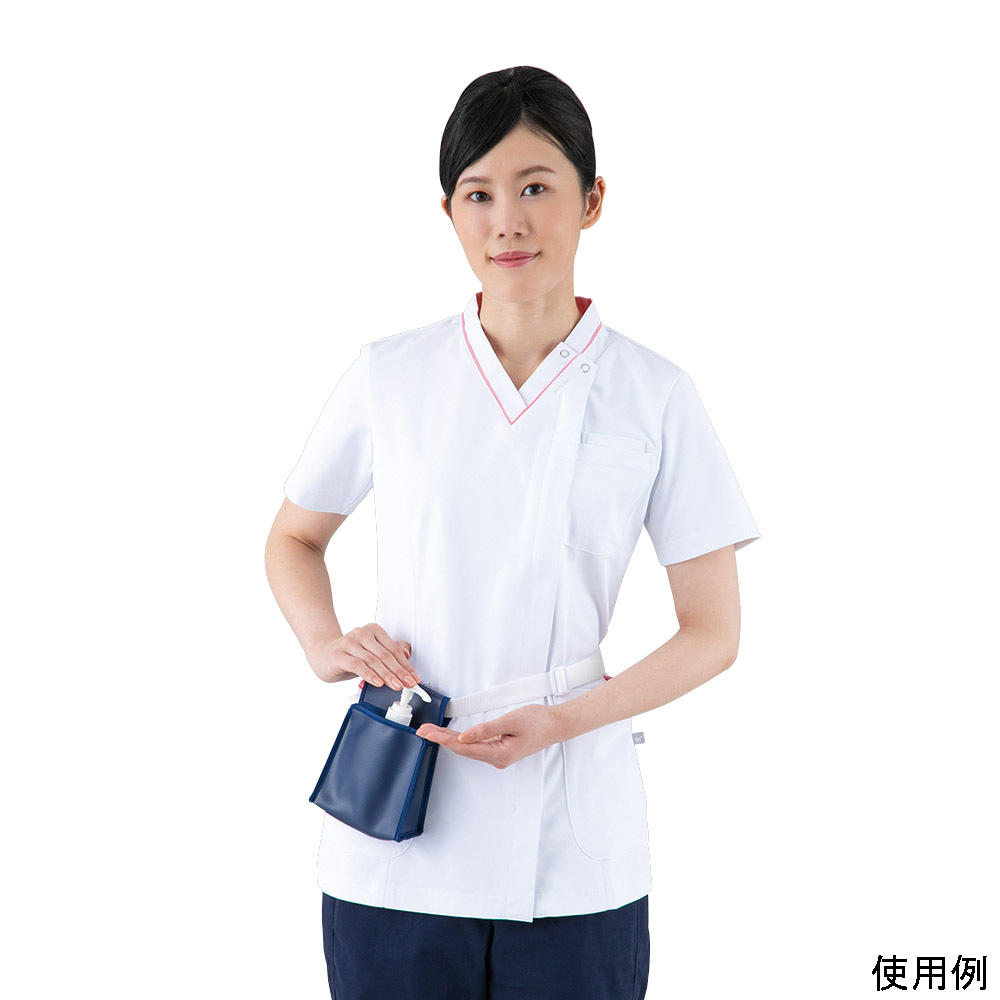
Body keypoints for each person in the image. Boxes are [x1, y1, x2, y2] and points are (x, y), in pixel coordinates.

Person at [264, 65, 760, 1000]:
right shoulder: (390, 376)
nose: (507, 222)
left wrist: (565, 722)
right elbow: (293, 538)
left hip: (573, 843)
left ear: (593, 200)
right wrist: (324, 643)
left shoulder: (654, 395)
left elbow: (713, 633)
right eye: (478, 194)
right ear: (449, 212)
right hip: (396, 833)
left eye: (536, 188)